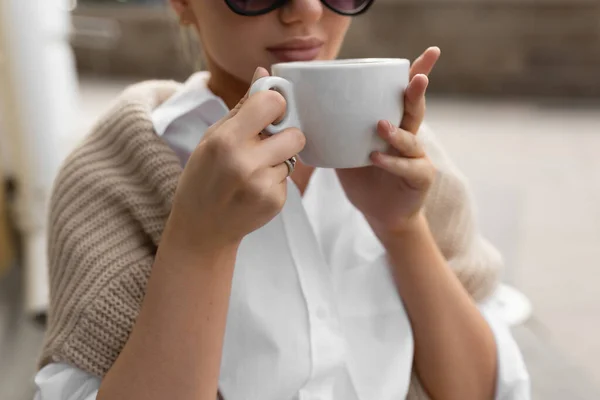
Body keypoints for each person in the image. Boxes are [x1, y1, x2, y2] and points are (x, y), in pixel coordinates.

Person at [34, 1, 530, 399]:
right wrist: (198, 243)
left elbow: (487, 390)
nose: (308, 10)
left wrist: (402, 229)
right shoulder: (115, 174)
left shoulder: (412, 159)